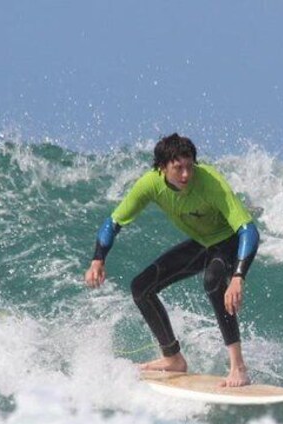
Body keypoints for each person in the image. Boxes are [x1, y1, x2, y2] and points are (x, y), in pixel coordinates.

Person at [84, 133, 260, 387]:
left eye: (190, 167)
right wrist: (98, 260)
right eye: (178, 168)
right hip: (203, 242)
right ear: (162, 167)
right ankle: (173, 358)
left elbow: (248, 230)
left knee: (213, 281)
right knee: (141, 287)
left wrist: (238, 277)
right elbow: (114, 222)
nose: (186, 174)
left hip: (231, 241)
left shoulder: (210, 183)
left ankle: (238, 368)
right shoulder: (150, 184)